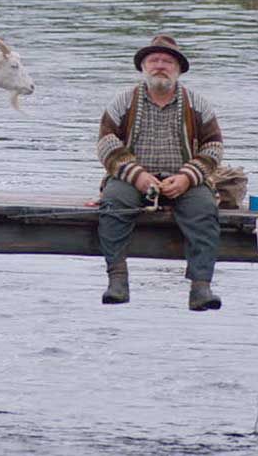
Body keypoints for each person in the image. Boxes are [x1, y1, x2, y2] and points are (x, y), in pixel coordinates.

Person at [95, 34, 224, 310]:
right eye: (154, 60)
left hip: (184, 180)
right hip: (133, 178)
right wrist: (138, 176)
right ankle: (117, 279)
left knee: (204, 209)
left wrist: (188, 177)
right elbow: (106, 144)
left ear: (178, 69)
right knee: (113, 203)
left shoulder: (197, 104)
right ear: (144, 67)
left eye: (167, 61)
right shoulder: (123, 101)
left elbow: (214, 147)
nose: (160, 66)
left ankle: (201, 286)